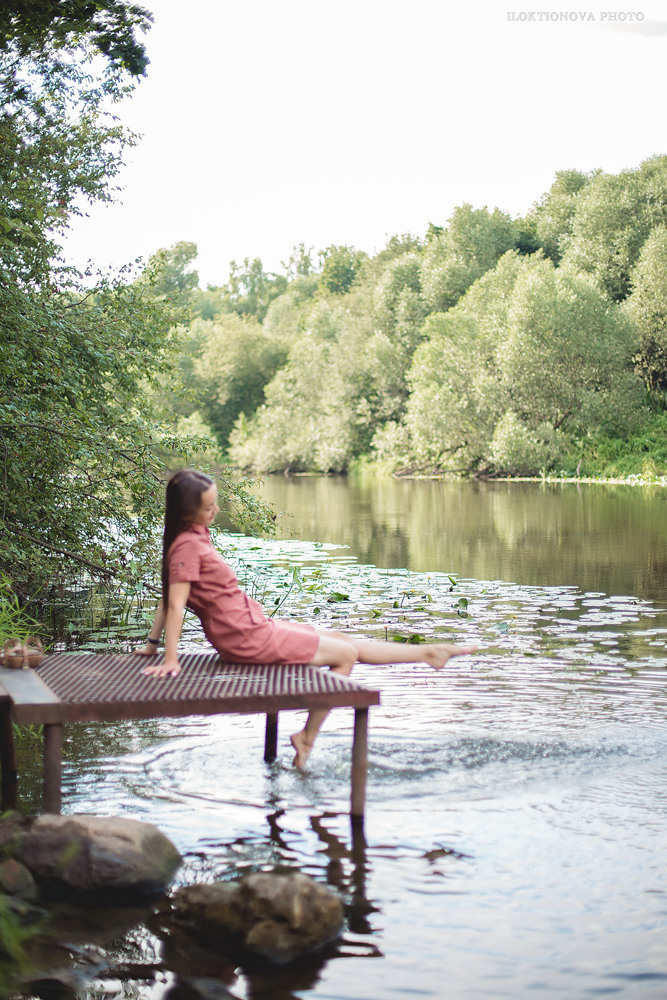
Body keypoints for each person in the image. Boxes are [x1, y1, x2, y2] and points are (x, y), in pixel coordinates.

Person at [135, 469, 478, 768]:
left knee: (343, 643)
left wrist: (151, 646)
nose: (217, 510)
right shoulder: (186, 547)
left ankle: (428, 653)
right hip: (246, 637)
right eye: (209, 507)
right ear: (187, 512)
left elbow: (166, 597)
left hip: (251, 627)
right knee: (345, 656)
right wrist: (169, 658)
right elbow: (175, 604)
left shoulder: (192, 537)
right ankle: (307, 737)